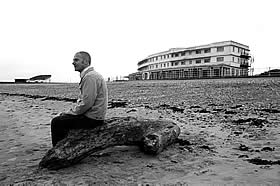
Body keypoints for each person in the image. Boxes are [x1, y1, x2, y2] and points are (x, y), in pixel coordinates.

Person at [51, 51, 108, 146]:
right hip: (94, 115)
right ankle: (65, 146)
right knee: (62, 119)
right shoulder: (90, 75)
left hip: (93, 119)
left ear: (86, 62)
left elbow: (87, 103)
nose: (73, 63)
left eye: (76, 60)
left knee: (56, 122)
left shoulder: (90, 77)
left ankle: (58, 152)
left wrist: (69, 113)